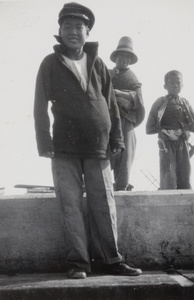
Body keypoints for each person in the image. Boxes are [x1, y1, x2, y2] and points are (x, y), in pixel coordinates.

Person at [34, 2, 142, 279]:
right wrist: (44, 142)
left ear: (88, 31)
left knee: (104, 203)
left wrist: (117, 137)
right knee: (70, 205)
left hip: (99, 146)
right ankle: (79, 263)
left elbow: (111, 105)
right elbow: (39, 105)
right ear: (59, 31)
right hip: (64, 148)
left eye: (78, 27)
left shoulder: (99, 63)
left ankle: (111, 260)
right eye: (67, 27)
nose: (73, 32)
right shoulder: (50, 63)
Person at [146, 70, 194, 189]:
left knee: (184, 169)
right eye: (172, 83)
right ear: (165, 86)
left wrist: (185, 131)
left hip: (182, 142)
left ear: (182, 85)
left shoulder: (185, 103)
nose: (175, 86)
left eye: (178, 83)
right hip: (166, 143)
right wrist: (164, 132)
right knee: (168, 171)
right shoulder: (160, 102)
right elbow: (150, 126)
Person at [109, 36, 145, 191]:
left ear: (130, 60)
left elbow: (138, 98)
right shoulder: (107, 73)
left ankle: (121, 187)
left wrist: (117, 93)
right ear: (115, 57)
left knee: (125, 156)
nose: (124, 59)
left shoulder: (132, 77)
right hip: (108, 119)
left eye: (127, 57)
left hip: (125, 120)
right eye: (121, 55)